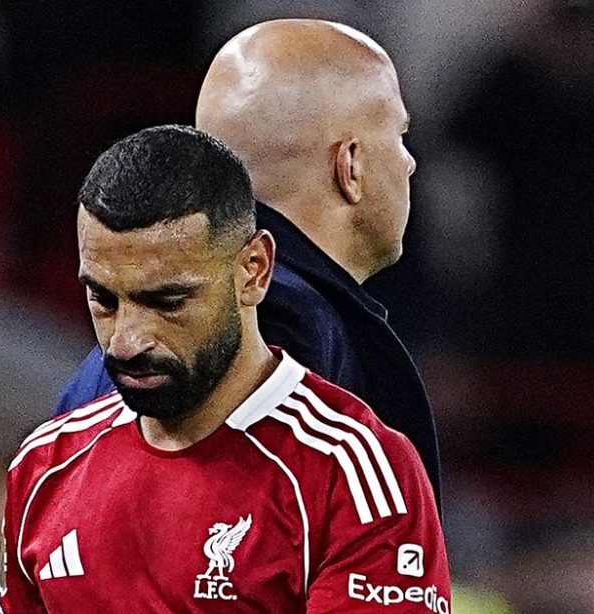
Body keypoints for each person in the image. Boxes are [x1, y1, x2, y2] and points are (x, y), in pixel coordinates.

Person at [0, 125, 450, 612]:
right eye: (103, 300)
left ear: (254, 270)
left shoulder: (350, 474)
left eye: (168, 301)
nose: (126, 341)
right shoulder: (44, 467)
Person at [54, 19, 442, 505]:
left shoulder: (114, 358)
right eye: (399, 136)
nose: (408, 162)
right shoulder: (263, 319)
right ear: (351, 165)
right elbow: (215, 541)